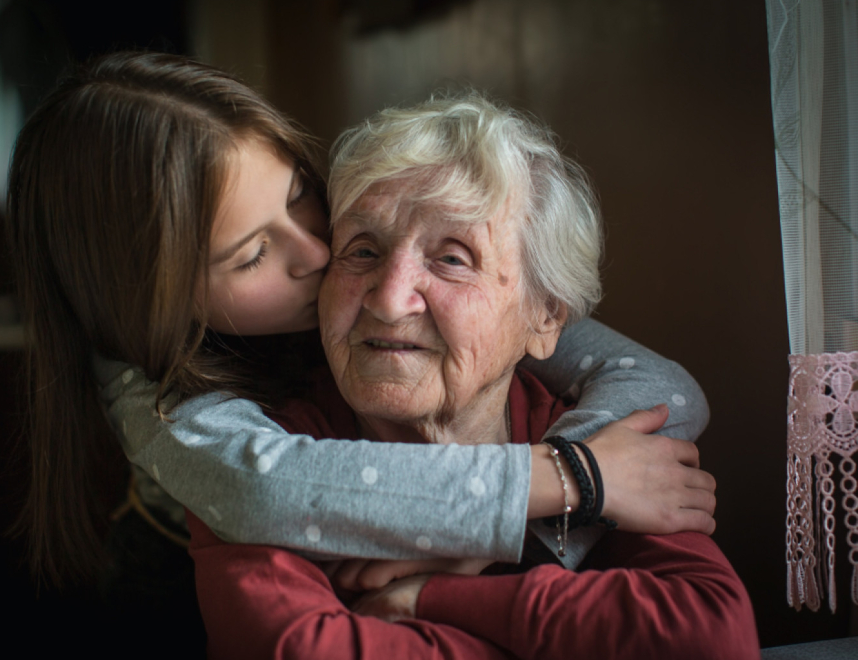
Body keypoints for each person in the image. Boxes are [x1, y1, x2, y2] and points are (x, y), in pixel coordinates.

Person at [7, 51, 713, 592]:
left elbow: (662, 389)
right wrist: (571, 478)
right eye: (253, 253)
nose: (319, 252)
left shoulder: (391, 289)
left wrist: (534, 535)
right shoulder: (159, 399)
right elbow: (267, 489)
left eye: (299, 197)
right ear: (153, 302)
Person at [185, 91, 758, 659]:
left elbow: (711, 636)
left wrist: (430, 598)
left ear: (545, 317)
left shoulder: (599, 442)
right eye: (361, 250)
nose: (388, 300)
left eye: (452, 258)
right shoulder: (268, 458)